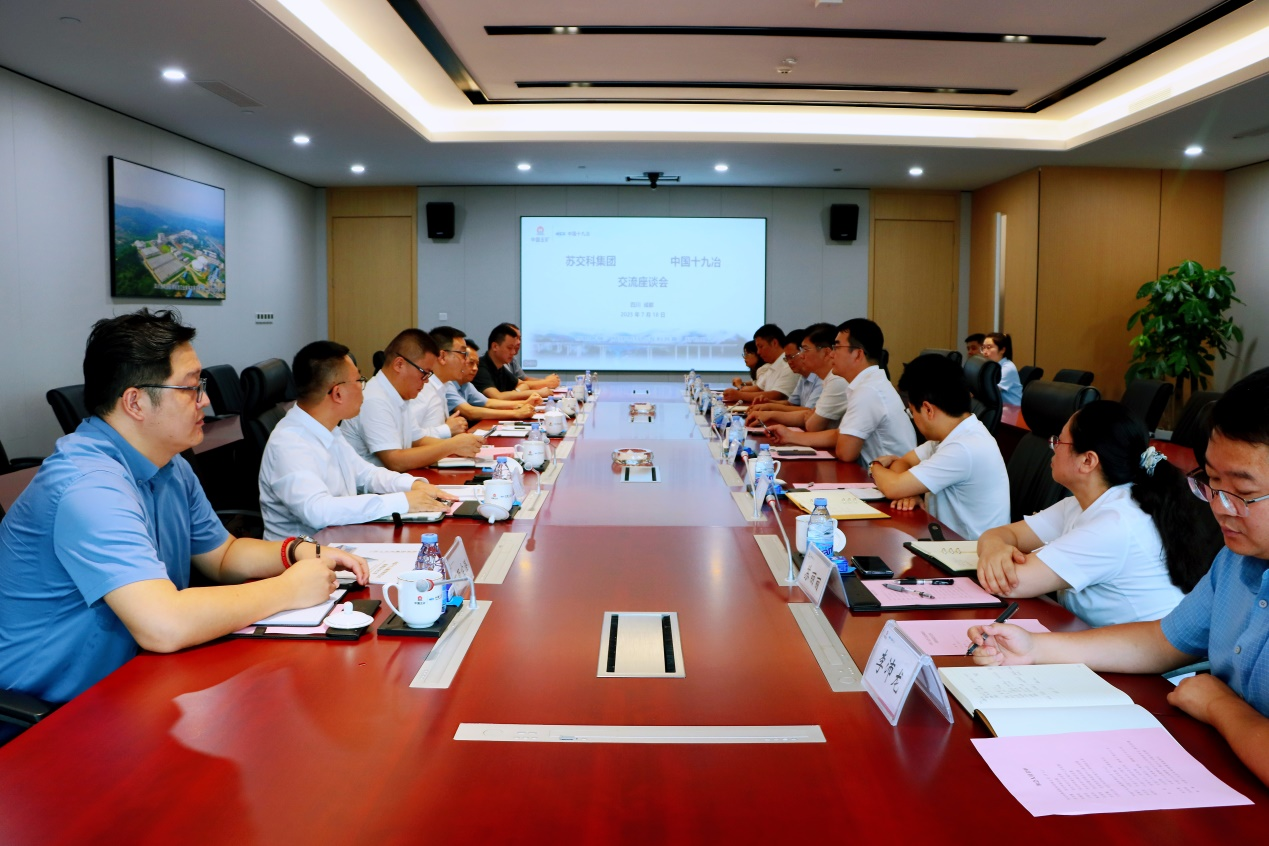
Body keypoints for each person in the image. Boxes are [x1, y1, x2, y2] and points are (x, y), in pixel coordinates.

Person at [0, 309, 368, 709]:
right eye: (191, 388)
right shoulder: (88, 486)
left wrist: (299, 551)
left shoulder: (169, 464)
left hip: (135, 681)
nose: (206, 401)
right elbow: (163, 624)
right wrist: (287, 589)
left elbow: (223, 555)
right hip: (51, 711)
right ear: (136, 402)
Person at [969, 369, 1269, 787]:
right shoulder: (1236, 561)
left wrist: (1222, 707)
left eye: (1243, 493)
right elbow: (1163, 641)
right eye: (1212, 483)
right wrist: (1034, 648)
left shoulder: (1121, 518)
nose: (1219, 507)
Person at [975, 400, 1221, 626]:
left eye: (1059, 441)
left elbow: (1012, 583)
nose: (1052, 447)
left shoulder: (1116, 522)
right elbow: (1001, 534)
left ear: (1088, 461)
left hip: (1147, 659)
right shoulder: (1081, 503)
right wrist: (996, 548)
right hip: (1099, 642)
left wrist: (1000, 551)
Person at [258, 341, 456, 540]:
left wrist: (413, 485)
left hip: (341, 540)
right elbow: (318, 511)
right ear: (338, 393)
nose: (363, 388)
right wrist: (402, 501)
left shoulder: (329, 429)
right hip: (305, 553)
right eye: (359, 380)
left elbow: (366, 474)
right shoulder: (290, 443)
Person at [869, 354, 1009, 540]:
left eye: (911, 412)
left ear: (928, 409)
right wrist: (909, 491)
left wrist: (875, 466)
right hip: (945, 541)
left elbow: (893, 487)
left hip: (970, 552)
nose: (913, 418)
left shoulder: (964, 447)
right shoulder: (952, 434)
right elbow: (903, 462)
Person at [343, 328, 483, 470]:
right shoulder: (374, 399)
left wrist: (461, 444)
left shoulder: (400, 395)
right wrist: (451, 446)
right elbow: (395, 461)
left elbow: (418, 440)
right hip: (370, 483)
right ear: (399, 365)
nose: (426, 381)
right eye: (424, 373)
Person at [750, 324, 848, 434]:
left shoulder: (837, 381)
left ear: (826, 352)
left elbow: (812, 425)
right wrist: (770, 410)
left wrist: (771, 412)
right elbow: (801, 411)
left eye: (805, 350)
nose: (801, 356)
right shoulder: (827, 378)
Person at [445, 339, 536, 421]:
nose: (475, 368)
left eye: (477, 364)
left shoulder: (466, 384)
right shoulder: (447, 384)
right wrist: (516, 413)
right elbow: (470, 412)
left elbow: (488, 402)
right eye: (471, 363)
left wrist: (524, 403)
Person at [410, 326, 471, 439]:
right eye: (463, 354)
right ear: (442, 357)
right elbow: (410, 437)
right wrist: (447, 429)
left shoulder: (444, 385)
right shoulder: (421, 389)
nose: (467, 361)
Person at [723, 324, 798, 403]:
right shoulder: (772, 366)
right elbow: (759, 388)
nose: (758, 352)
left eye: (761, 346)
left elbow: (776, 395)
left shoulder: (788, 366)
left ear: (774, 343)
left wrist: (739, 395)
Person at [473, 324, 543, 402]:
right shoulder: (479, 368)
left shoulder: (500, 368)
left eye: (514, 348)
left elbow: (523, 384)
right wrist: (539, 393)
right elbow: (497, 397)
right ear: (495, 346)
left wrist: (515, 392)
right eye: (509, 348)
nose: (513, 352)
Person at [501, 323, 560, 392]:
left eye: (520, 338)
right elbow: (515, 385)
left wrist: (547, 381)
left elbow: (524, 380)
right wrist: (546, 383)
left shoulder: (512, 358)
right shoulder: (499, 361)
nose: (519, 342)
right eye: (515, 338)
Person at [980, 331, 1021, 404]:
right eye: (983, 348)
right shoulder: (991, 365)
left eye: (989, 347)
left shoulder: (1008, 368)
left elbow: (990, 392)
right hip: (998, 406)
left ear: (1002, 350)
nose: (984, 352)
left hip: (1012, 408)